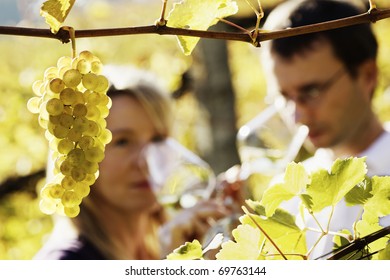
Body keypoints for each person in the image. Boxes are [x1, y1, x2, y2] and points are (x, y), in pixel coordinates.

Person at [33, 65, 228, 260]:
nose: (145, 162)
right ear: (78, 155)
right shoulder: (66, 263)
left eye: (157, 140)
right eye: (123, 142)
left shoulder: (164, 248)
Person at [258, 0, 390, 258]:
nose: (297, 115)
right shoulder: (286, 198)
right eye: (284, 97)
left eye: (312, 91)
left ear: (367, 76)